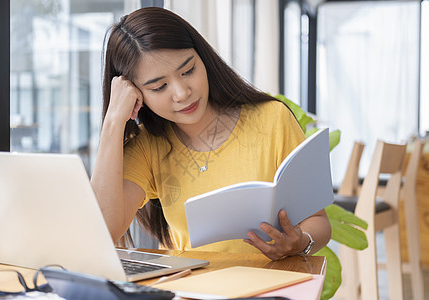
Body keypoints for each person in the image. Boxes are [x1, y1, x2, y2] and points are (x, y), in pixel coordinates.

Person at [91, 7, 331, 261]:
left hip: (268, 289)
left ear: (203, 58)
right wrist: (113, 122)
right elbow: (102, 231)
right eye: (159, 86)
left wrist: (300, 242)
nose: (182, 92)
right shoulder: (147, 145)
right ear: (136, 93)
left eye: (188, 71)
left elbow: (318, 222)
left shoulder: (272, 119)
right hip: (190, 289)